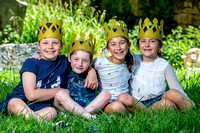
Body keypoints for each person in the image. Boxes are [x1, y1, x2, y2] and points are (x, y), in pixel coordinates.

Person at [0, 17, 97, 122]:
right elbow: (31, 95)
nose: (50, 47)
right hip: (21, 99)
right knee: (14, 102)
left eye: (55, 43)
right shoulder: (31, 62)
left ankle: (33, 119)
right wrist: (59, 91)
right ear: (38, 45)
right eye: (45, 43)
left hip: (43, 105)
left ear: (61, 45)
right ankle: (35, 119)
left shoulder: (64, 61)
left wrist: (91, 72)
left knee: (52, 112)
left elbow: (80, 63)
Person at [119, 18, 195, 111]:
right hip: (136, 102)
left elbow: (176, 89)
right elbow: (113, 63)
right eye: (143, 41)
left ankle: (193, 110)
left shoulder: (164, 65)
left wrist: (183, 100)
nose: (147, 45)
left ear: (160, 46)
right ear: (138, 44)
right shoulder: (132, 59)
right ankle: (147, 112)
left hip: (158, 102)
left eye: (152, 41)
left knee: (171, 96)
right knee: (123, 97)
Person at [93, 19, 146, 114]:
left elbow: (149, 57)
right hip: (107, 103)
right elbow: (86, 65)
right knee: (116, 107)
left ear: (129, 45)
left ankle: (148, 113)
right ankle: (134, 113)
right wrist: (91, 72)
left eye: (122, 43)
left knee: (123, 97)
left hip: (125, 99)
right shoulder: (99, 62)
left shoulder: (133, 61)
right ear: (108, 49)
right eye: (113, 44)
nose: (118, 48)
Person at [53, 33, 111, 119]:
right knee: (60, 94)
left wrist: (91, 70)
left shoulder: (93, 71)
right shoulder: (64, 68)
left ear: (91, 62)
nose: (79, 64)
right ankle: (87, 116)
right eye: (76, 59)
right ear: (69, 58)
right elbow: (50, 60)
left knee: (106, 94)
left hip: (89, 106)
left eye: (85, 61)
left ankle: (79, 115)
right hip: (67, 107)